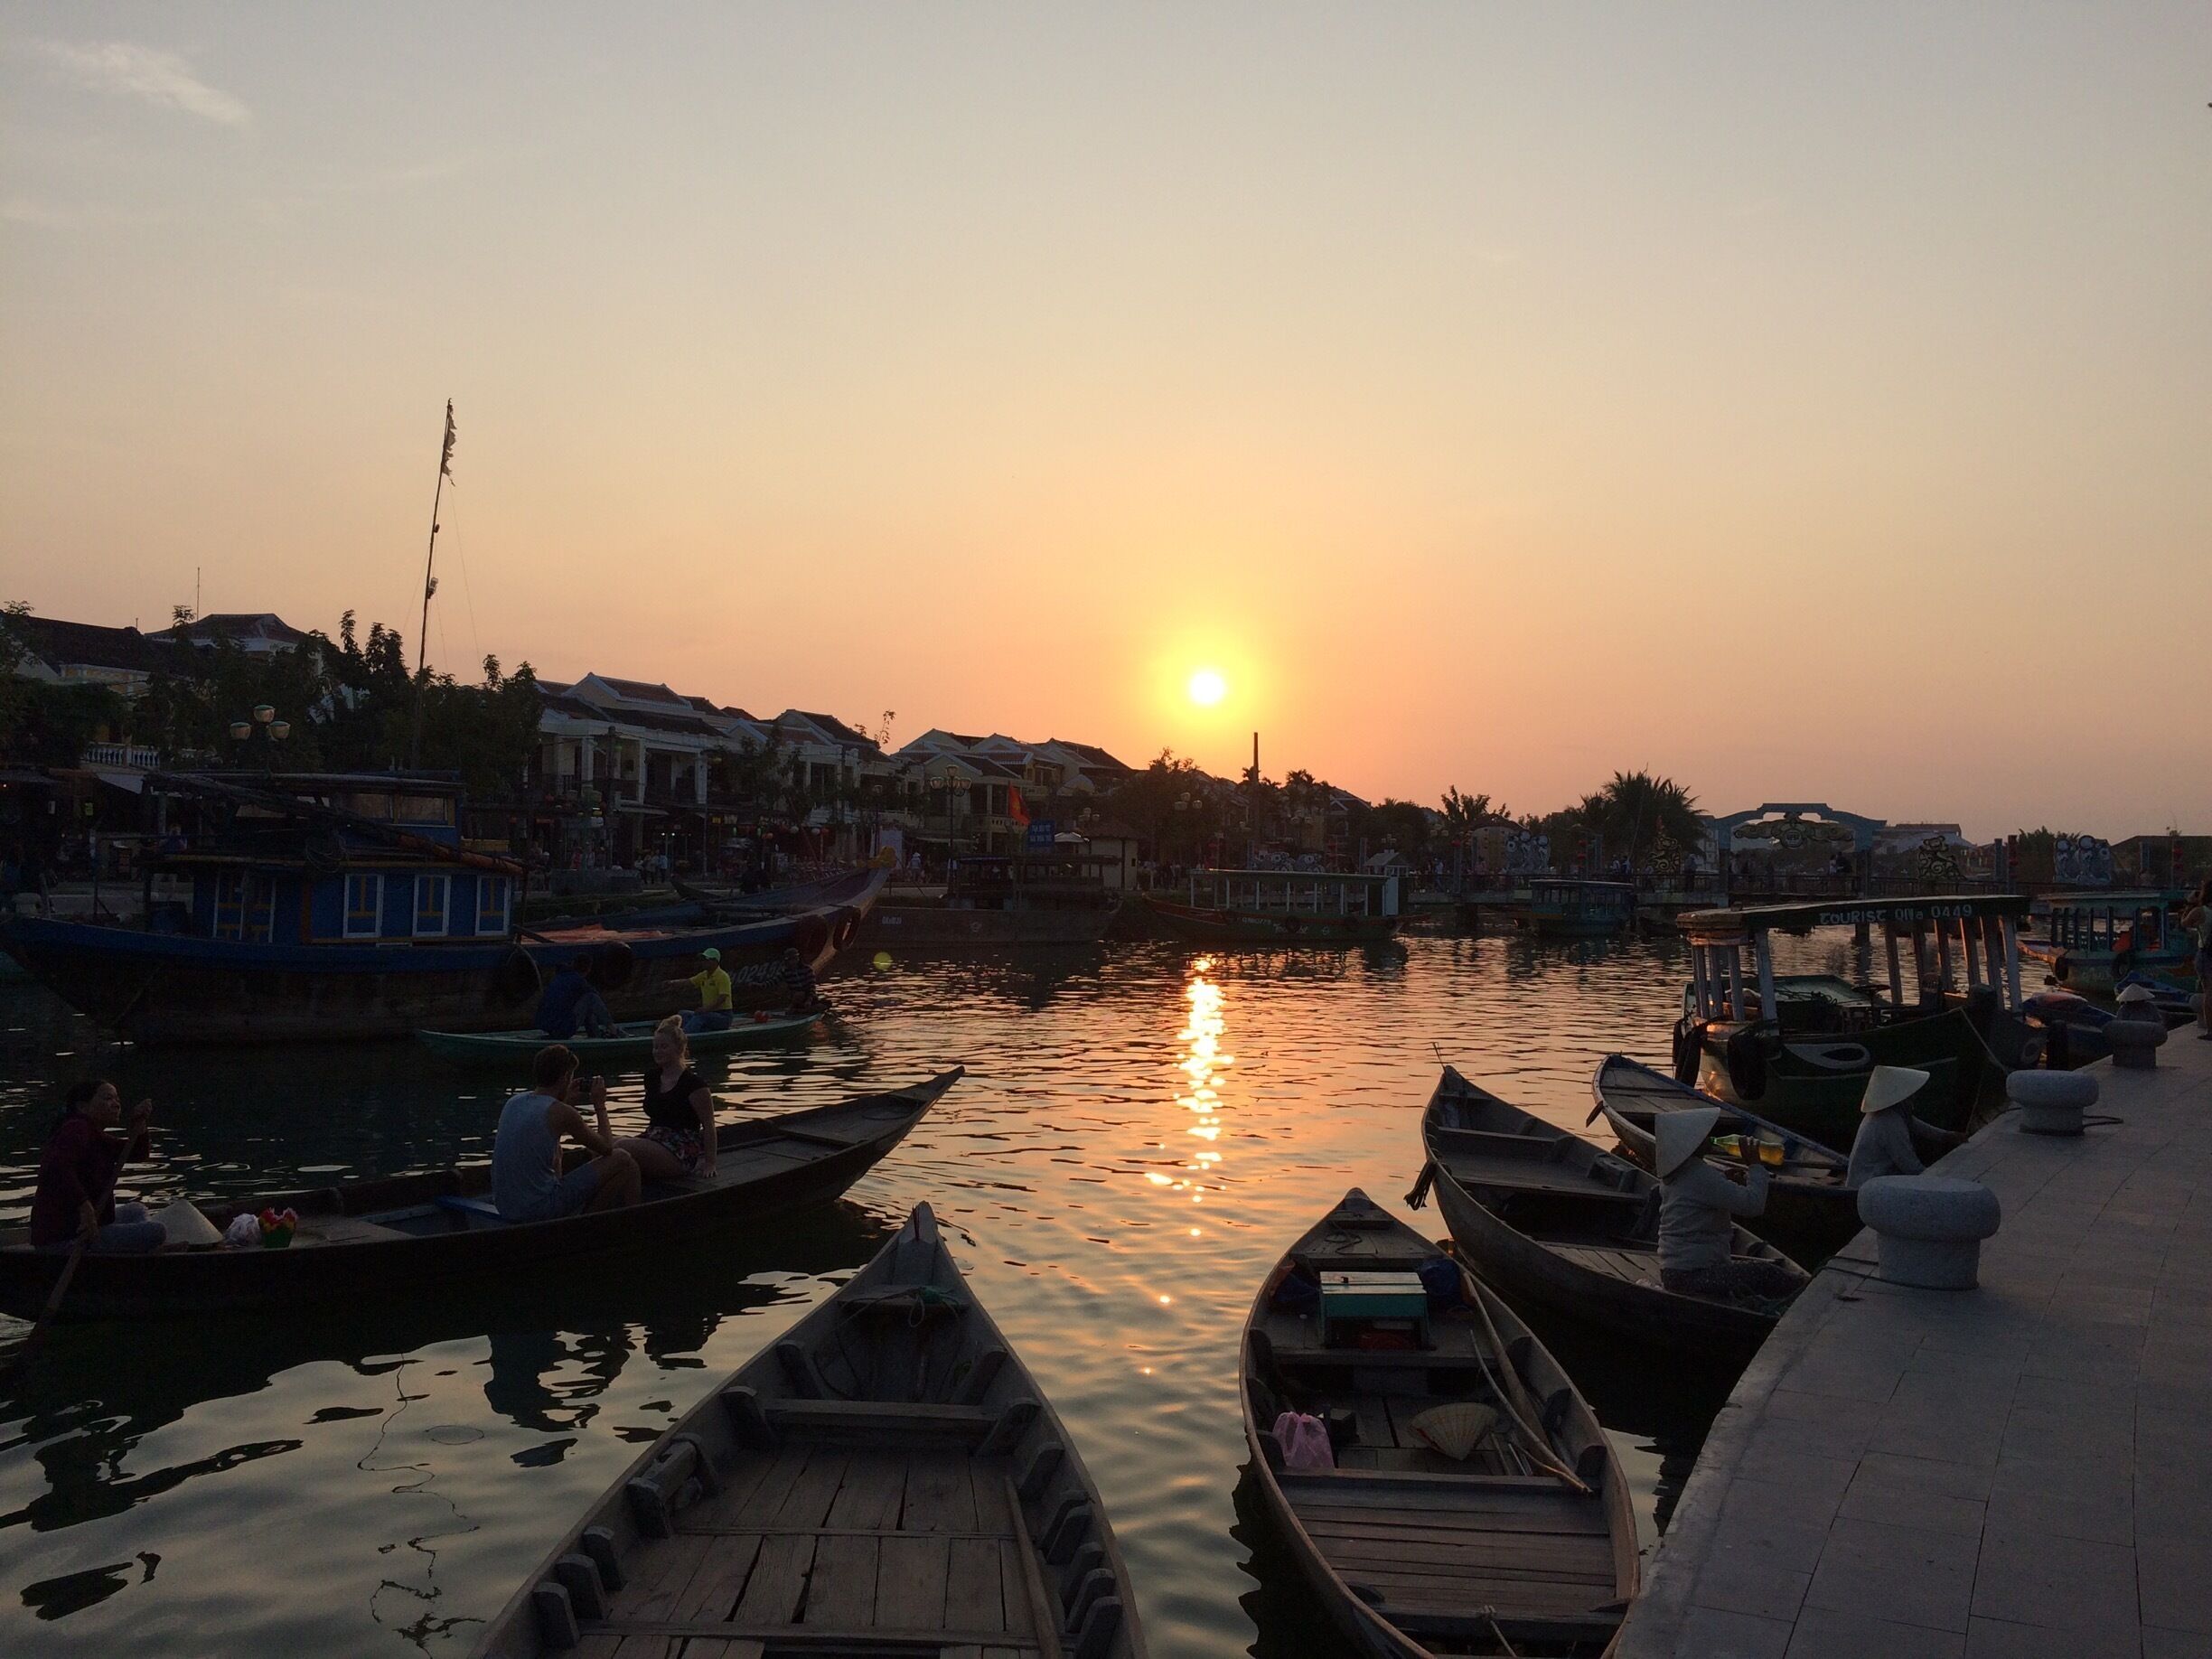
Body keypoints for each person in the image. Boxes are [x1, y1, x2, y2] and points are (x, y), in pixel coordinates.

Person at [1654, 1106, 1798, 1302]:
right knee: (1767, 1273)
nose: (1710, 1136)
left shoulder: (1678, 1174)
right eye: (1704, 1135)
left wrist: (1728, 1182)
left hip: (1673, 1272)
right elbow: (1753, 1206)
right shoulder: (1700, 1175)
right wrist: (1755, 1165)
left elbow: (1707, 1195)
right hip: (1693, 1275)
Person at [492, 1045, 641, 1222]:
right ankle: (591, 1223)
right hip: (538, 1209)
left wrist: (565, 1101)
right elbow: (607, 1148)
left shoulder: (514, 1102)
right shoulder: (562, 1113)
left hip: (505, 1207)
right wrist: (600, 1104)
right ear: (564, 1078)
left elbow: (543, 1127)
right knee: (623, 1159)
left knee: (557, 1150)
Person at [29, 1080, 167, 1253]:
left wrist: (139, 1125)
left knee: (137, 1209)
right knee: (157, 1231)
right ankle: (149, 1249)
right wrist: (85, 1207)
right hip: (67, 1237)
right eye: (108, 1098)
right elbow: (57, 1168)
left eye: (117, 1099)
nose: (116, 1104)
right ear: (83, 1107)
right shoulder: (76, 1128)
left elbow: (136, 1153)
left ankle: (147, 1249)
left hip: (93, 1224)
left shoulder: (96, 1136)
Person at [615, 1017, 718, 1183]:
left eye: (663, 1047)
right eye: (655, 1047)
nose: (657, 1051)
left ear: (679, 1049)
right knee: (606, 1143)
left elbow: (709, 1125)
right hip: (654, 1137)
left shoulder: (694, 1085)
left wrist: (710, 1162)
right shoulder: (652, 1078)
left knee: (623, 1147)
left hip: (680, 1148)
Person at [1845, 1064, 1966, 1188]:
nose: (1914, 1096)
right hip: (1867, 1186)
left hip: (1872, 1179)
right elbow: (1911, 1166)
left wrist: (1946, 1136)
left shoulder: (1889, 1114)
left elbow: (1918, 1126)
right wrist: (1936, 1181)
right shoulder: (1888, 1122)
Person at [537, 953, 616, 1040]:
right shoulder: (579, 981)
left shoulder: (559, 977)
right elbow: (594, 996)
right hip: (562, 1029)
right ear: (589, 969)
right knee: (591, 998)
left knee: (587, 1004)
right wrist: (609, 1023)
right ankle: (611, 1029)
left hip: (546, 1026)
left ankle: (595, 1034)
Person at [2186, 879, 2212, 1039]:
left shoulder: (2200, 911)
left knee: (2208, 992)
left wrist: (2190, 904)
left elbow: (2184, 923)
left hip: (2206, 954)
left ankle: (2210, 1030)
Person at [686, 947, 734, 1033]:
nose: (703, 962)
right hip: (710, 1014)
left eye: (706, 960)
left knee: (701, 1016)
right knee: (683, 1014)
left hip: (723, 1016)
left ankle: (686, 1036)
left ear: (715, 961)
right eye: (703, 960)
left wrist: (706, 1009)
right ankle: (693, 1031)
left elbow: (722, 998)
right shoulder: (704, 975)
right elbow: (689, 982)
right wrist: (671, 983)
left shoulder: (723, 976)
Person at [779, 945, 821, 1015]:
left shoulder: (807, 969)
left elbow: (812, 987)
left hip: (808, 996)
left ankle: (797, 1009)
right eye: (790, 960)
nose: (793, 962)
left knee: (825, 1004)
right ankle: (796, 1008)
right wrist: (760, 985)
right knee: (798, 994)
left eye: (795, 959)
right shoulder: (785, 972)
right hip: (795, 997)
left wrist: (809, 1001)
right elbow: (773, 982)